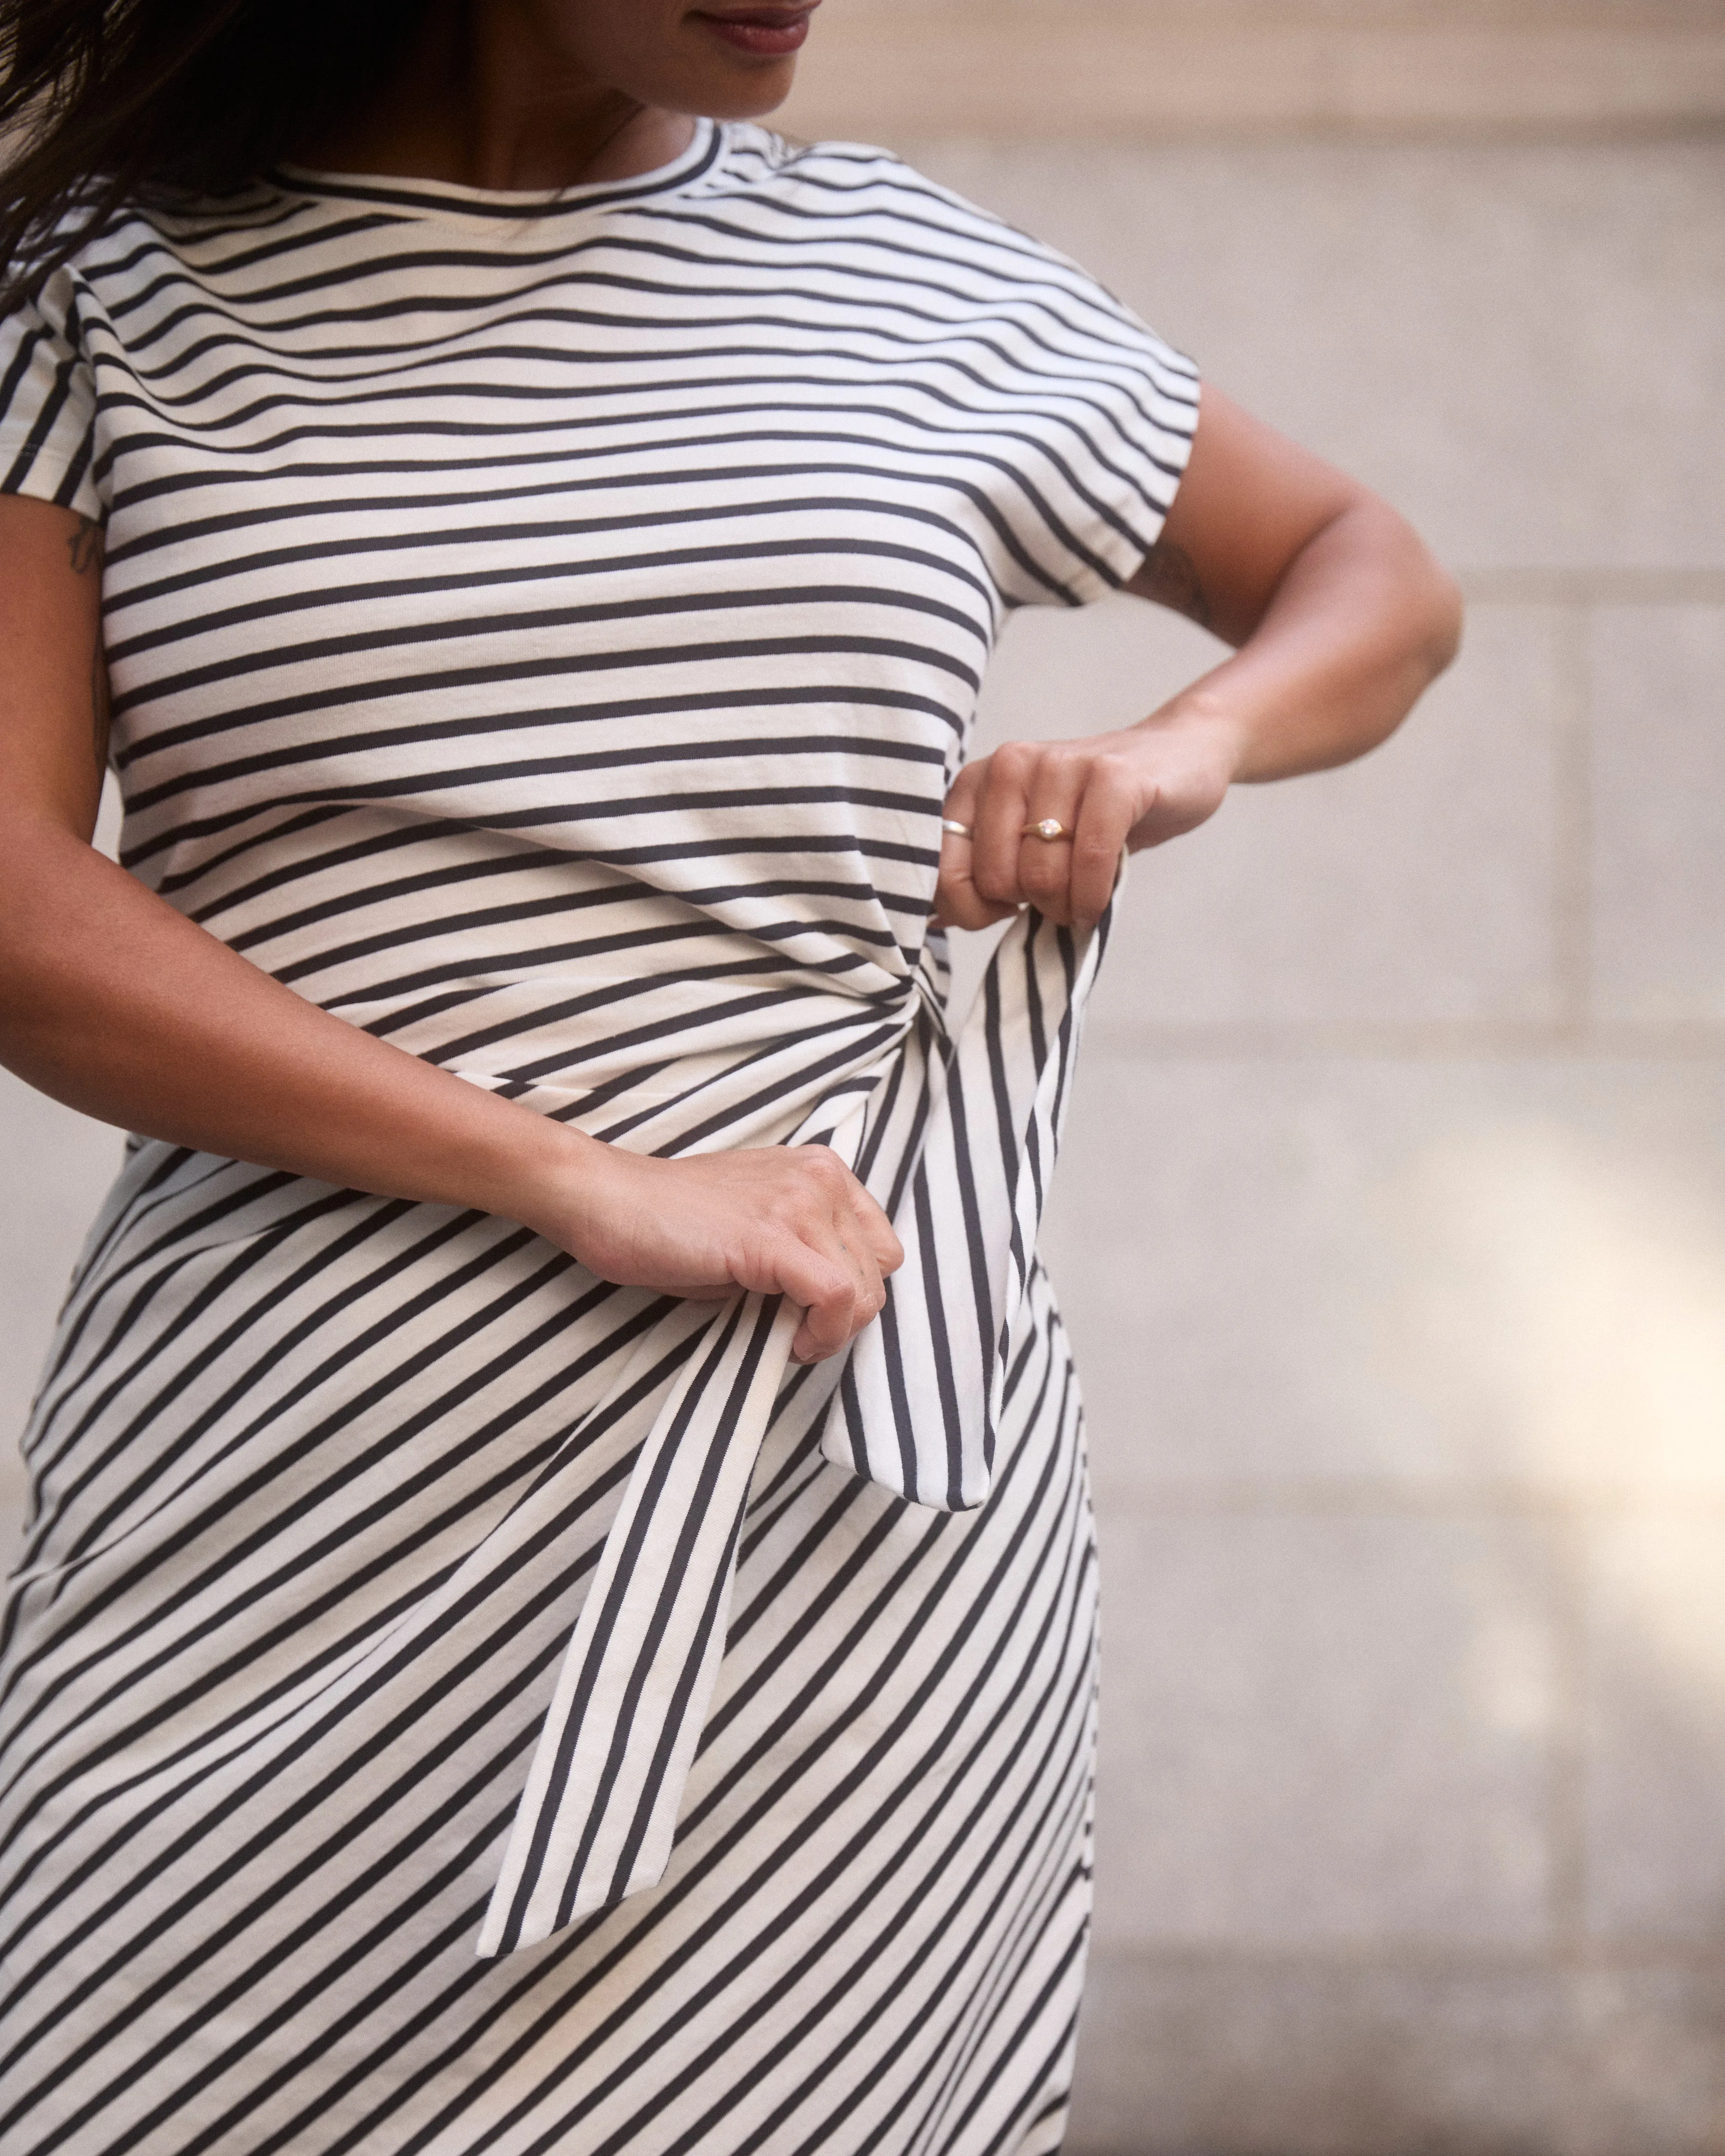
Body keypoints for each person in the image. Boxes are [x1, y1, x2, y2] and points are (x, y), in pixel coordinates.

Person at [0, 2, 1461, 2150]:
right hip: (288, 1481)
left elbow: (1374, 577)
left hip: (835, 1486)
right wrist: (568, 1171)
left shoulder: (904, 275)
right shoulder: (97, 295)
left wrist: (1175, 749)